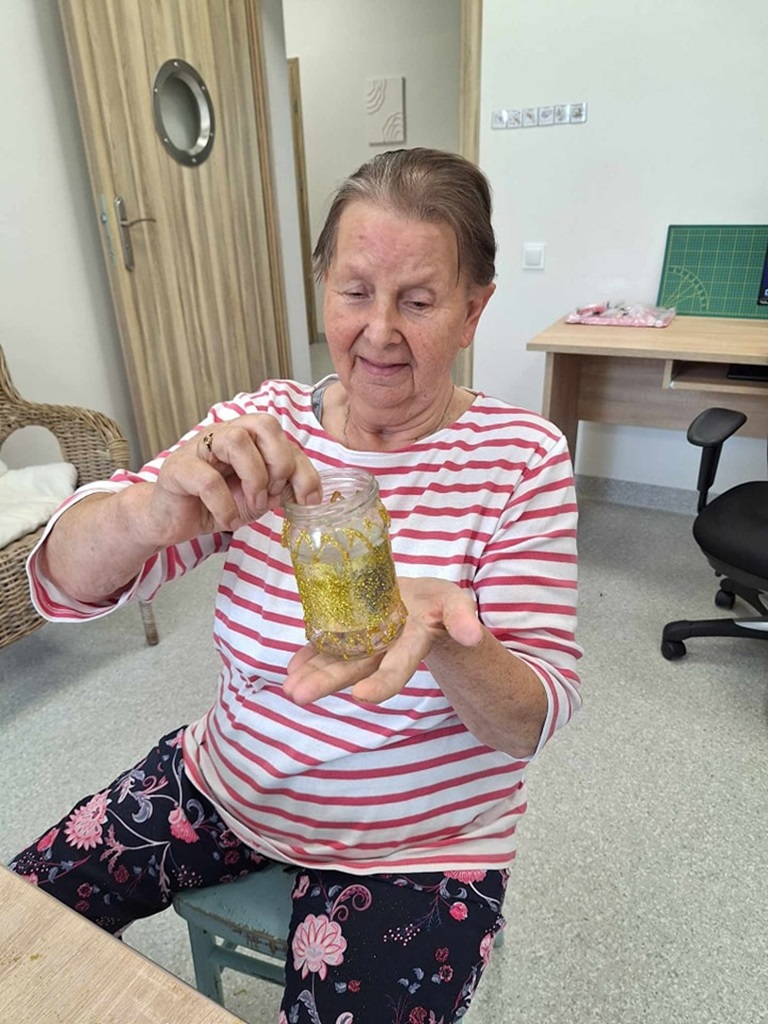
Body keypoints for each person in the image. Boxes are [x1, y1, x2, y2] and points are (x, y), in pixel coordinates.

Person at [11, 147, 581, 1023]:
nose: (378, 331)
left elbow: (527, 721)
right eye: (355, 291)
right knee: (20, 921)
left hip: (415, 846)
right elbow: (57, 581)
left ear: (473, 311)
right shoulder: (262, 431)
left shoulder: (521, 459)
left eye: (418, 301)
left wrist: (444, 637)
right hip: (226, 783)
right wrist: (144, 513)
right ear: (323, 291)